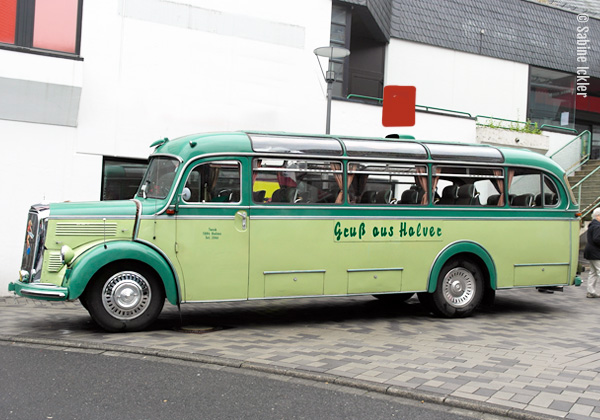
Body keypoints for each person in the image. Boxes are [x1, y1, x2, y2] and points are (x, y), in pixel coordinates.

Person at [584, 207, 600, 298]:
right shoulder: (598, 226)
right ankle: (591, 292)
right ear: (598, 216)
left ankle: (591, 291)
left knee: (593, 272)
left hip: (590, 252)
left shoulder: (592, 225)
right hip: (596, 252)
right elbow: (597, 239)